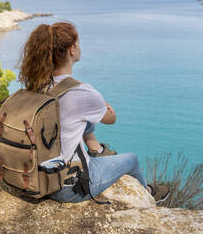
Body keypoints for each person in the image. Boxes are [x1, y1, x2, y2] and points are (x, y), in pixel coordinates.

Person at [18, 21, 170, 204]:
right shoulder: (81, 92)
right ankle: (148, 193)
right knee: (133, 159)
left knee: (80, 120)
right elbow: (111, 118)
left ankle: (96, 149)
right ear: (72, 49)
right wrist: (102, 104)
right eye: (78, 43)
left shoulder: (38, 84)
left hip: (34, 176)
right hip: (66, 188)